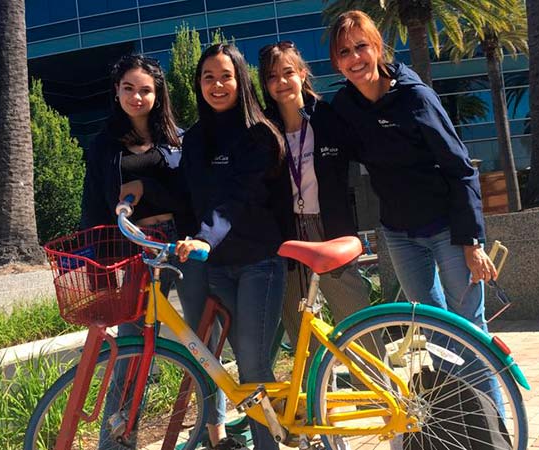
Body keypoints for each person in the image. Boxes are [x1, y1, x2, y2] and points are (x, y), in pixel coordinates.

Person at [326, 9, 503, 412]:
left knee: (469, 330)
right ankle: (460, 423)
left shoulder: (414, 97)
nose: (355, 58)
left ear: (378, 48)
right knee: (432, 329)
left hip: (448, 229)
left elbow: (460, 169)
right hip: (399, 234)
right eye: (345, 52)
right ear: (336, 61)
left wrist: (472, 241)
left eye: (361, 47)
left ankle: (498, 430)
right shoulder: (344, 106)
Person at [79, 54, 223, 449]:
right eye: (129, 88)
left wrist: (147, 190)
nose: (137, 97)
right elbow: (93, 208)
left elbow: (189, 195)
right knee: (131, 346)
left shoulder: (178, 139)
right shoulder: (103, 146)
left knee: (201, 340)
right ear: (116, 91)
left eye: (145, 89)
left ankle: (217, 434)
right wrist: (99, 273)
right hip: (137, 249)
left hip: (179, 242)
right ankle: (118, 441)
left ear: (158, 94)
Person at [175, 43, 287, 450]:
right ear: (198, 84)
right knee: (232, 361)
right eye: (208, 77)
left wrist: (203, 238)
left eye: (226, 76)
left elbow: (235, 200)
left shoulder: (258, 135)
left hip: (261, 262)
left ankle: (267, 445)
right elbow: (184, 195)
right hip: (218, 267)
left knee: (253, 364)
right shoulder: (195, 138)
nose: (217, 85)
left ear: (241, 80)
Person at [257, 41, 373, 373]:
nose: (281, 82)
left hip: (329, 227)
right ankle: (320, 412)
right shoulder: (265, 129)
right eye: (272, 76)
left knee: (354, 316)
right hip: (289, 234)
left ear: (302, 74)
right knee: (302, 328)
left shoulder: (328, 116)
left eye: (288, 73)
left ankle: (384, 396)